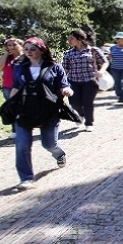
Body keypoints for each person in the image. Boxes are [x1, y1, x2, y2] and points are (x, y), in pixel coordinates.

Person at [10, 37, 73, 190]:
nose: (29, 52)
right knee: (22, 145)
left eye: (33, 49)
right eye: (26, 49)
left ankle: (59, 154)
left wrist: (66, 90)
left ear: (42, 50)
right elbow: (16, 87)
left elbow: (64, 85)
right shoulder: (20, 67)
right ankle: (26, 178)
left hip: (49, 112)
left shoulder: (55, 67)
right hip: (25, 111)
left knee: (49, 143)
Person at [62, 30, 109, 132]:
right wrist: (61, 81)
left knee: (88, 102)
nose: (69, 40)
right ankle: (81, 114)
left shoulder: (93, 50)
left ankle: (89, 122)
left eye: (71, 38)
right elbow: (65, 69)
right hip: (74, 81)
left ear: (79, 39)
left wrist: (101, 71)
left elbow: (105, 62)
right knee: (74, 102)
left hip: (90, 80)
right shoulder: (68, 53)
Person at [0, 38, 23, 138]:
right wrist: (6, 54)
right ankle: (15, 129)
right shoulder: (7, 58)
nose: (11, 47)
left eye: (14, 45)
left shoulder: (27, 57)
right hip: (8, 87)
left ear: (21, 45)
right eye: (9, 45)